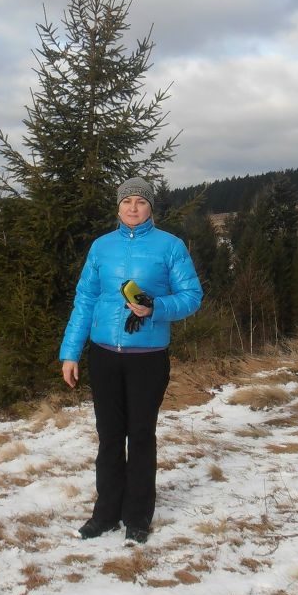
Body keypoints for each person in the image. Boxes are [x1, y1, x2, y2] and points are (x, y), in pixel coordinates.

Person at [60, 177, 203, 544]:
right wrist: (70, 352)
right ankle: (105, 514)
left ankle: (137, 517)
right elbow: (85, 300)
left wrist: (155, 307)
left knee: (140, 436)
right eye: (127, 202)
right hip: (105, 356)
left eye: (141, 201)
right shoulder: (101, 247)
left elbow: (192, 296)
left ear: (151, 206)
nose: (134, 207)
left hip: (148, 359)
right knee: (109, 438)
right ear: (118, 207)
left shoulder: (170, 246)